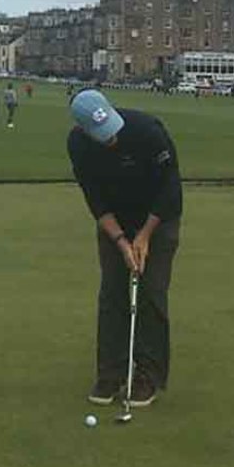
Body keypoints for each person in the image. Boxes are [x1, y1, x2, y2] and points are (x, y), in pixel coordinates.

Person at [67, 89, 183, 409]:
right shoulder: (78, 146)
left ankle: (148, 375)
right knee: (112, 293)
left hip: (158, 219)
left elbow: (171, 190)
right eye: (101, 136)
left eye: (111, 131)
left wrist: (144, 236)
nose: (111, 140)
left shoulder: (147, 132)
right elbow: (95, 199)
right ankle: (110, 373)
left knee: (151, 292)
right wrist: (120, 240)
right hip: (115, 221)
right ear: (83, 130)